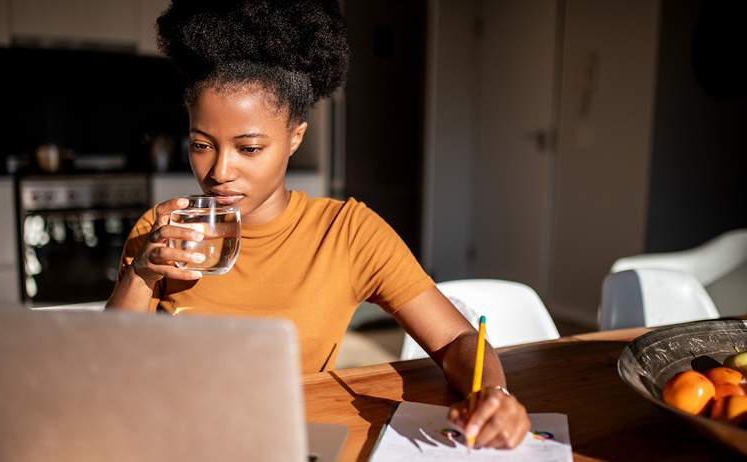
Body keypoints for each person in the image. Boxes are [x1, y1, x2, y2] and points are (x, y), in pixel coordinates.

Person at [107, 0, 530, 449]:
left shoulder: (348, 233)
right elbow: (109, 363)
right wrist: (141, 275)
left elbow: (456, 337)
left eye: (249, 148)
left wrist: (492, 393)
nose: (219, 171)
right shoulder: (165, 227)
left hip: (290, 440)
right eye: (201, 144)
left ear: (295, 138)